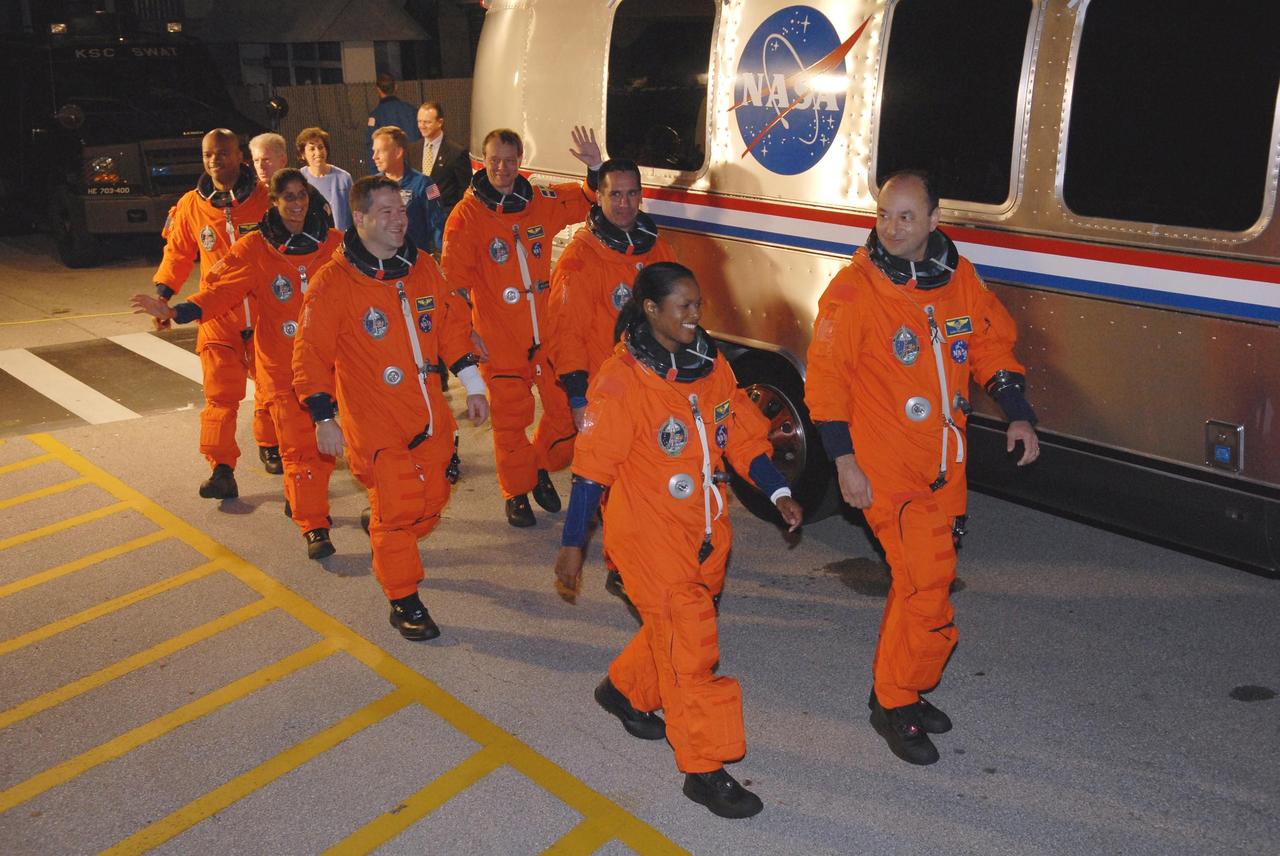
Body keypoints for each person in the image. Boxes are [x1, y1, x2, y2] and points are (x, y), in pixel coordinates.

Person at [804, 170, 1040, 766]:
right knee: (928, 580)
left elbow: (989, 345)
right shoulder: (854, 291)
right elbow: (827, 383)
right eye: (884, 214)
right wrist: (844, 462)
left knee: (917, 584)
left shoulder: (958, 280)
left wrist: (1017, 414)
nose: (891, 227)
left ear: (935, 220)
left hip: (945, 463)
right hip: (886, 466)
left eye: (906, 216)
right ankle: (894, 702)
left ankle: (900, 686)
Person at [554, 262, 803, 819]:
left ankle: (623, 691)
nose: (695, 314)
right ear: (651, 309)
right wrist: (573, 544)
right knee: (692, 650)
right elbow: (591, 471)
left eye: (697, 304)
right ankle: (703, 769)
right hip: (649, 538)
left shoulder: (711, 366)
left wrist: (779, 490)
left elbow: (741, 436)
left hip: (705, 532)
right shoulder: (621, 381)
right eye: (683, 306)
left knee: (673, 631)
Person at [293, 176, 489, 640]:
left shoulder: (421, 267)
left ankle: (383, 525)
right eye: (386, 212)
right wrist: (323, 417)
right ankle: (404, 598)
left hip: (429, 411)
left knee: (432, 501)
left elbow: (449, 326)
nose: (399, 220)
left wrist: (474, 384)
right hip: (373, 420)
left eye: (400, 210)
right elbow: (310, 353)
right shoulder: (333, 282)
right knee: (400, 504)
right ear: (359, 219)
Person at [132, 169, 343, 559]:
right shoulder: (255, 248)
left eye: (302, 195)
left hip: (328, 366)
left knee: (322, 452)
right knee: (298, 448)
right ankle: (314, 525)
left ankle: (302, 497)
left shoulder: (334, 244)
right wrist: (175, 310)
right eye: (288, 197)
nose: (297, 204)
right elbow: (220, 291)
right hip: (281, 367)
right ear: (273, 202)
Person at [442, 125, 600, 528]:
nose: (502, 168)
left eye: (510, 161)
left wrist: (595, 167)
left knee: (566, 410)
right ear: (483, 161)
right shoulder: (467, 216)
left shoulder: (539, 202)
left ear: (520, 162)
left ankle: (539, 465)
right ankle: (515, 492)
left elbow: (585, 198)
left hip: (547, 333)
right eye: (495, 160)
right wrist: (464, 332)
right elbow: (453, 285)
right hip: (499, 339)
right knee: (511, 421)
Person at [547, 157, 676, 595]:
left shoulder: (657, 249)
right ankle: (622, 565)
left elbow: (680, 312)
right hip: (609, 394)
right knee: (616, 487)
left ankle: (643, 551)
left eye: (631, 193)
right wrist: (578, 397)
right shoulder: (581, 258)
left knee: (651, 478)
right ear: (599, 197)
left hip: (657, 388)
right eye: (614, 194)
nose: (624, 203)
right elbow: (566, 333)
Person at [151, 128, 277, 498]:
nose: (214, 160)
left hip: (268, 312)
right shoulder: (191, 206)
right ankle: (221, 469)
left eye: (222, 153)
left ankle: (271, 444)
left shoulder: (267, 199)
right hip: (218, 316)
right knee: (220, 397)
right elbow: (177, 254)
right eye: (208, 154)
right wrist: (163, 296)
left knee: (274, 390)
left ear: (240, 156)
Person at [371, 125, 445, 254]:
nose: (374, 157)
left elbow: (438, 223)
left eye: (380, 151)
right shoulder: (372, 185)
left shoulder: (426, 184)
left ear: (398, 152)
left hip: (414, 259)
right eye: (374, 151)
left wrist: (442, 254)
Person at [407, 101, 472, 217]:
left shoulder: (456, 152)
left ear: (440, 122)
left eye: (427, 122)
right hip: (419, 216)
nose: (422, 126)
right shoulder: (412, 150)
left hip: (446, 217)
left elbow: (465, 189)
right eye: (419, 121)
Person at [296, 126, 353, 231]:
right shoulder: (298, 179)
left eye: (321, 147)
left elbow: (354, 214)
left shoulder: (344, 178)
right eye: (312, 149)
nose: (318, 153)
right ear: (303, 154)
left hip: (341, 239)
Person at [365, 72, 420, 174]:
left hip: (389, 171)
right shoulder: (412, 111)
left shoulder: (375, 116)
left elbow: (371, 147)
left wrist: (375, 175)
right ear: (396, 87)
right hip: (414, 168)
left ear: (378, 89)